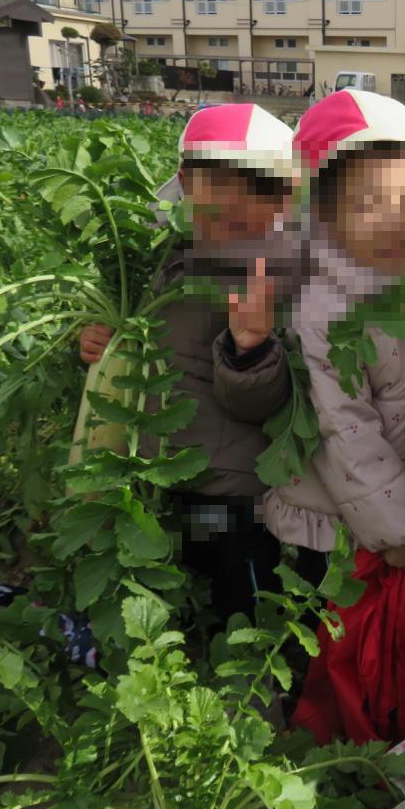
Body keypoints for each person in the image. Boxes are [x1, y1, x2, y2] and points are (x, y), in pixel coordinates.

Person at [77, 103, 295, 624]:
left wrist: (251, 347)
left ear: (286, 197)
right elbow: (129, 342)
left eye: (257, 188)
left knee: (242, 607)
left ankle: (255, 674)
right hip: (155, 468)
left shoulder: (276, 280)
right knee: (172, 591)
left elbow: (266, 403)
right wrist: (92, 342)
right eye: (217, 185)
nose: (234, 202)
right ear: (185, 182)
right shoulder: (160, 255)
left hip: (233, 488)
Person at [220, 89, 405, 574]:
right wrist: (401, 532)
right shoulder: (320, 310)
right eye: (368, 204)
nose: (395, 219)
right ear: (323, 217)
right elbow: (344, 433)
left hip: (396, 502)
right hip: (332, 529)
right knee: (332, 618)